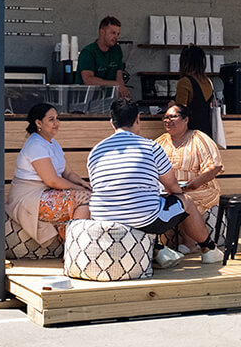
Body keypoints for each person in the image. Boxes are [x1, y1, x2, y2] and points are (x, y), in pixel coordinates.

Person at [87, 99, 224, 267]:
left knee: (147, 203)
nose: (167, 121)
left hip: (101, 216)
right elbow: (173, 187)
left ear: (111, 122)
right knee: (183, 201)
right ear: (138, 119)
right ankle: (209, 249)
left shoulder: (96, 151)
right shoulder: (151, 147)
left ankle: (159, 250)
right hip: (144, 217)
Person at [5, 103, 92, 245]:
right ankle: (74, 248)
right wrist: (79, 190)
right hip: (30, 198)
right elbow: (52, 180)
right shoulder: (35, 144)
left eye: (57, 119)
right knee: (85, 199)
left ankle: (71, 245)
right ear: (38, 123)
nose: (57, 123)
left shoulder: (53, 143)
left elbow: (68, 173)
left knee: (91, 194)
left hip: (47, 193)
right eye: (51, 119)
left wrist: (83, 184)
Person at [154, 103, 224, 250]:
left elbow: (214, 166)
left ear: (185, 120)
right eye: (165, 117)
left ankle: (189, 243)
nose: (168, 120)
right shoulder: (160, 142)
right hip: (170, 189)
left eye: (173, 116)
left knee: (186, 200)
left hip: (200, 188)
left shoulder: (198, 138)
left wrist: (195, 182)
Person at [77, 15, 130, 99]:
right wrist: (114, 84)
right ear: (102, 32)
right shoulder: (88, 52)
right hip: (87, 100)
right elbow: (88, 80)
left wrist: (122, 93)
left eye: (118, 34)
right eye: (113, 33)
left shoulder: (116, 50)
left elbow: (119, 76)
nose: (116, 37)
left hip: (109, 100)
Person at [173, 44, 216, 138]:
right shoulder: (208, 82)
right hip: (206, 133)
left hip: (190, 134)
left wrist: (171, 106)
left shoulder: (185, 82)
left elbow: (180, 112)